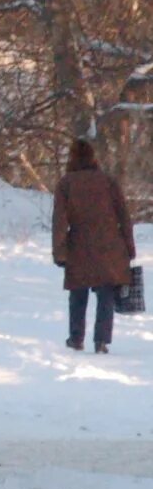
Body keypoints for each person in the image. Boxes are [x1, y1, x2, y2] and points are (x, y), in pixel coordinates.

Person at [53, 136, 136, 354]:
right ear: (93, 158)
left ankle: (76, 338)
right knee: (106, 293)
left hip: (79, 245)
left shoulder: (66, 184)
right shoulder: (108, 181)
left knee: (78, 293)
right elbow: (124, 216)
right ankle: (101, 341)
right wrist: (129, 247)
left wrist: (59, 252)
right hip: (110, 246)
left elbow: (60, 222)